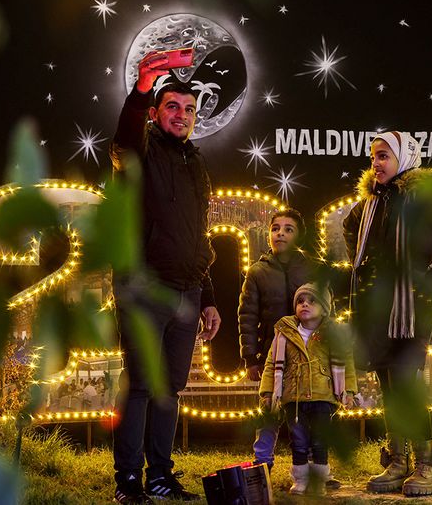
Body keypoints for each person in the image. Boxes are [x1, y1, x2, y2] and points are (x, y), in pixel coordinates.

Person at [109, 50, 222, 504]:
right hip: (144, 286)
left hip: (187, 291)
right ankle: (129, 482)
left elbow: (198, 233)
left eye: (189, 109)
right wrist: (140, 90)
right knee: (139, 384)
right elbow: (123, 141)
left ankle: (161, 476)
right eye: (172, 106)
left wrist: (208, 295)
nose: (182, 115)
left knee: (170, 388)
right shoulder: (139, 151)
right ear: (156, 114)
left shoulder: (196, 163)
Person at [344, 131, 432, 497]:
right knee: (386, 382)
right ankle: (397, 462)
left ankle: (428, 465)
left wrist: (429, 284)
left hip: (410, 307)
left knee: (406, 382)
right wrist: (364, 270)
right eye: (373, 157)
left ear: (405, 158)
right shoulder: (369, 204)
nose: (376, 163)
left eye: (384, 156)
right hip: (378, 307)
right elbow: (351, 230)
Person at [237, 209, 325, 474]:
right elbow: (247, 315)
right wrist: (250, 357)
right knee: (269, 410)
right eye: (276, 228)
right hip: (272, 354)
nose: (281, 234)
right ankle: (262, 464)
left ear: (299, 236)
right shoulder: (257, 272)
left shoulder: (312, 268)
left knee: (308, 408)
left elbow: (325, 308)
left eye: (289, 229)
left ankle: (312, 466)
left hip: (308, 355)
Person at [259, 283, 356, 497]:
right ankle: (301, 479)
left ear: (324, 308)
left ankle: (319, 481)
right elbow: (271, 363)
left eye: (312, 302)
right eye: (301, 301)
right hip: (294, 398)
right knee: (299, 440)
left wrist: (348, 390)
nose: (305, 305)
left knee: (320, 440)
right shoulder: (284, 333)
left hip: (324, 396)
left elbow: (346, 362)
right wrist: (267, 392)